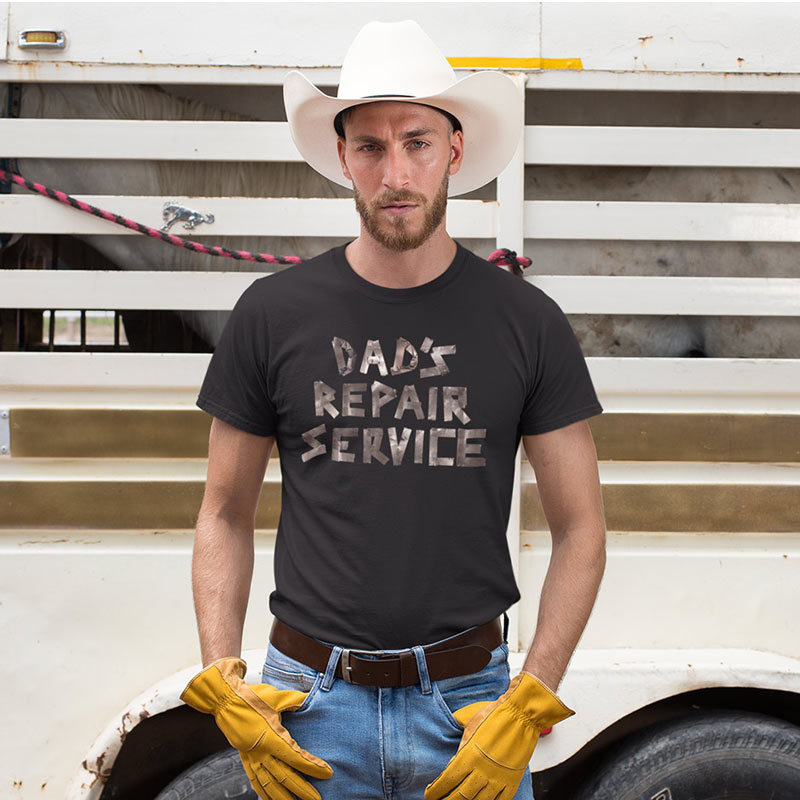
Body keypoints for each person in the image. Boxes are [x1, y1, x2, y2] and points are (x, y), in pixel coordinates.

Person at [179, 19, 607, 800]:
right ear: (342, 157)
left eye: (416, 141)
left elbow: (582, 528)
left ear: (455, 150)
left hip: (472, 709)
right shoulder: (272, 315)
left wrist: (531, 698)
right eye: (370, 147)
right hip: (307, 707)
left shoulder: (527, 321)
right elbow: (223, 512)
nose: (395, 172)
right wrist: (222, 674)